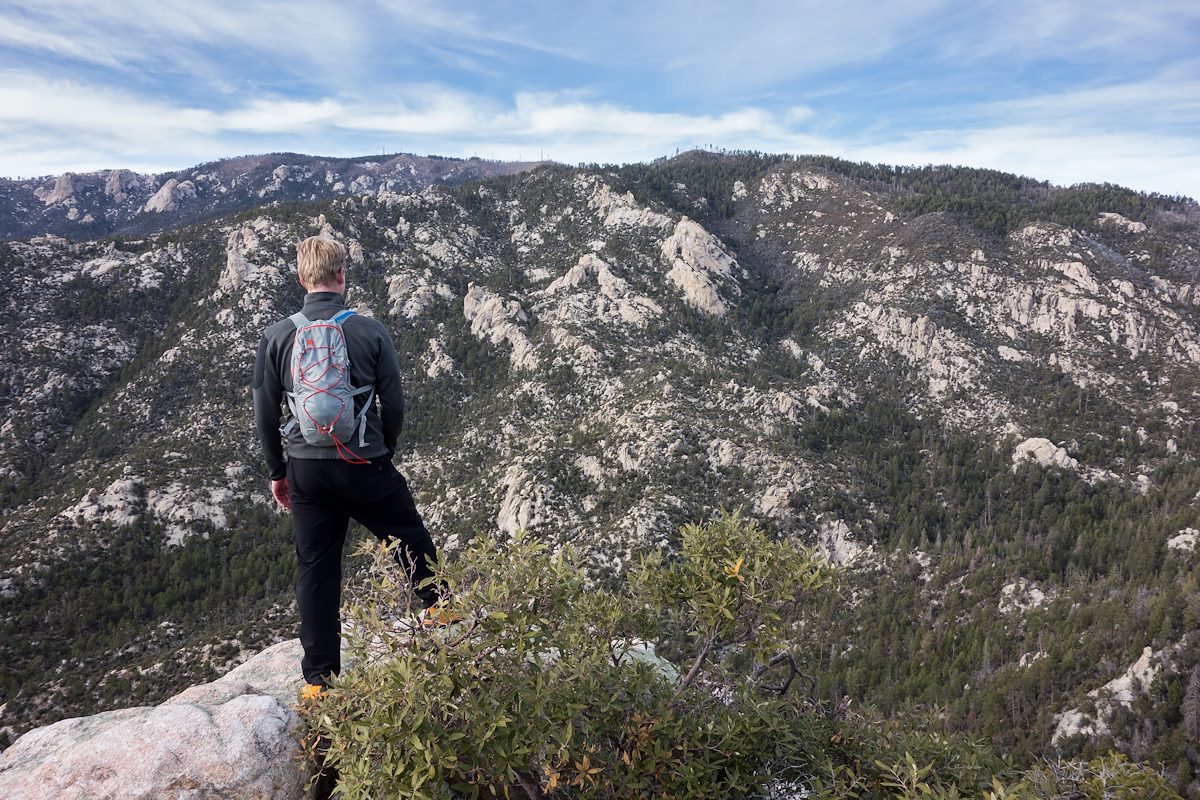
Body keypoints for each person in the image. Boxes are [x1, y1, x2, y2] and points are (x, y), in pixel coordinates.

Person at [252, 235, 443, 696]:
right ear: (342, 275)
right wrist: (384, 450)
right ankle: (443, 610)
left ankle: (319, 680)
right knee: (409, 536)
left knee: (316, 568)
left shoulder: (277, 336)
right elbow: (393, 403)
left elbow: (264, 411)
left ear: (301, 279)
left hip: (306, 469)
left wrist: (278, 472)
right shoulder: (370, 331)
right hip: (364, 462)